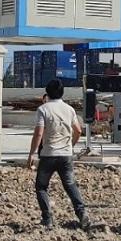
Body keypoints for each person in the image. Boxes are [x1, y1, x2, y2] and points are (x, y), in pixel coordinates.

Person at [27, 78, 90, 231]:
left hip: (48, 154)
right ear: (62, 93)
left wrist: (31, 154)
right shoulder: (69, 109)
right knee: (70, 185)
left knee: (41, 187)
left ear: (47, 93)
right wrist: (71, 145)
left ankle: (47, 219)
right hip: (66, 155)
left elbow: (38, 134)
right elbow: (78, 130)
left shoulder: (43, 109)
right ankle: (82, 214)